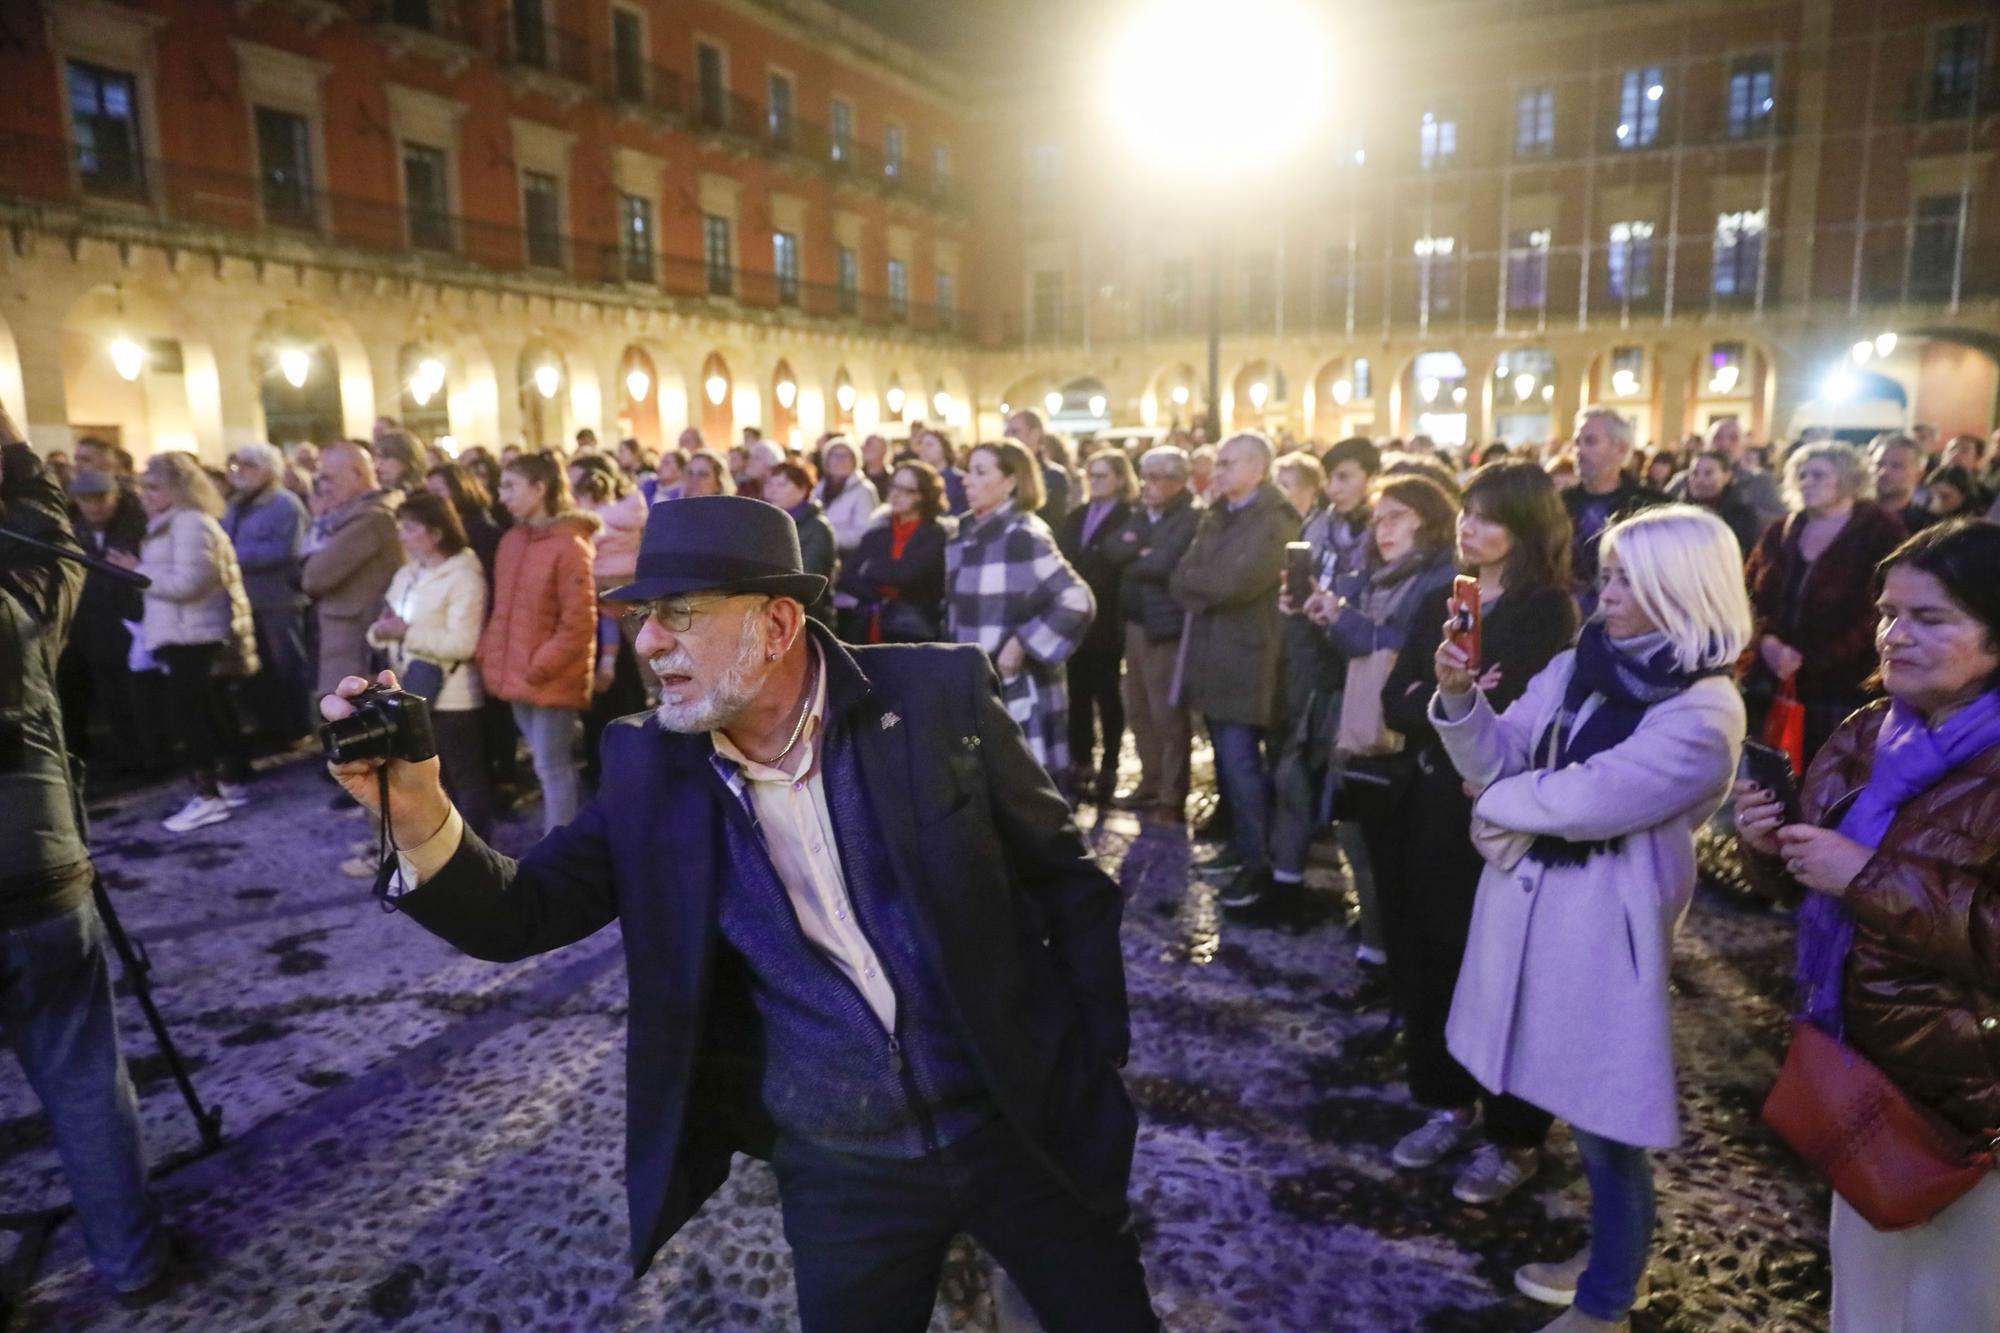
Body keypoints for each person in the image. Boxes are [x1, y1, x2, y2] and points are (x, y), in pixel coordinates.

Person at [320, 495, 1155, 1331]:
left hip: (1016, 1122)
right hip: (842, 1165)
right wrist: (420, 811)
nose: (648, 642)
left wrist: (1090, 1059)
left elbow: (1068, 881)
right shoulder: (649, 766)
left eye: (678, 615)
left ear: (779, 622)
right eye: (646, 616)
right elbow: (520, 911)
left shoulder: (938, 698)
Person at [1431, 504, 1753, 1333]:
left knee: (1611, 1124)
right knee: (1577, 1107)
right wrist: (1462, 700)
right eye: (1606, 574)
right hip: (1535, 906)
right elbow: (1506, 750)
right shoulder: (1585, 659)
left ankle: (1609, 1299)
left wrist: (1499, 800)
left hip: (1608, 929)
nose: (1605, 594)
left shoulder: (1706, 710)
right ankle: (1610, 1260)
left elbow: (1593, 798)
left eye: (1628, 582)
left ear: (1685, 592)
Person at [1734, 518, 2000, 1333]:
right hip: (1863, 1062)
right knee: (1868, 1294)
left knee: (1955, 1303)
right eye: (1889, 612)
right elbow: (1816, 893)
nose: (1896, 635)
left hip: (1971, 1092)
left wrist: (1864, 875)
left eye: (1932, 617)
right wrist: (1772, 850)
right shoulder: (1865, 732)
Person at [0, 416, 173, 1304]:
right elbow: (54, 544)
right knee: (82, 1074)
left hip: (35, 872)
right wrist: (14, 452)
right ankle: (132, 1258)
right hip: (35, 866)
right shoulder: (17, 604)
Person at [1376, 463, 1577, 1206]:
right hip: (1429, 802)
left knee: (1498, 964)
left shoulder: (1545, 608)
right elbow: (1399, 703)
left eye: (1491, 517)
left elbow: (1522, 710)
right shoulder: (1441, 595)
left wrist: (1459, 702)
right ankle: (1448, 1100)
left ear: (1528, 527)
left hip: (1500, 811)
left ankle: (1514, 1133)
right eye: (1468, 511)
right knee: (1428, 953)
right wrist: (1451, 693)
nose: (1471, 527)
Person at [1250, 438, 1386, 950]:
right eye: (1331, 478)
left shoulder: (1385, 532)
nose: (1335, 488)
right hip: (1310, 669)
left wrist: (1338, 606)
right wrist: (1293, 604)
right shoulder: (1318, 528)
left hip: (1359, 677)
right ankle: (1287, 887)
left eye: (1347, 476)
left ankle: (1372, 922)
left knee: (1350, 802)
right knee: (1292, 777)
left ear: (1372, 477)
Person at [1171, 432, 1295, 894]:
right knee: (1224, 759)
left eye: (1228, 464)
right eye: (1218, 463)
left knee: (1243, 764)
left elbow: (1235, 583)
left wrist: (1203, 585)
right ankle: (1239, 847)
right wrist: (1204, 584)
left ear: (1258, 469)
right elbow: (1181, 577)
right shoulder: (1218, 515)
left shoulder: (1276, 520)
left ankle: (1257, 860)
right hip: (1213, 653)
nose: (1217, 471)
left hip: (1247, 658)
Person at [119, 451, 260, 833]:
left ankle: (208, 795)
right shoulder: (174, 523)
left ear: (176, 488)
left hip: (192, 632)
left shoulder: (189, 524)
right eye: (142, 486)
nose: (145, 494)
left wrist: (137, 571)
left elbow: (189, 583)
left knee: (191, 715)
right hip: (182, 631)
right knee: (205, 709)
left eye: (153, 486)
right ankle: (225, 782)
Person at [1746, 440, 1909, 763]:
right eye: (1802, 474)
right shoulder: (1781, 530)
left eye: (1819, 474)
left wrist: (1814, 658)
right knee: (1773, 774)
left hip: (1844, 683)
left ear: (1848, 478)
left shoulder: (1879, 530)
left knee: (1830, 772)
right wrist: (1767, 642)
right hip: (1774, 677)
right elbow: (1750, 591)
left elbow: (1883, 605)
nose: (1808, 482)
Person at [946, 440, 1096, 779]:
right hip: (975, 686)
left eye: (980, 472)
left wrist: (1022, 644)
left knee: (1029, 794)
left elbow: (1077, 600)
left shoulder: (1024, 534)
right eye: (968, 470)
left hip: (1019, 690)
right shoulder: (963, 534)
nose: (967, 480)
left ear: (1012, 481)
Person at [479, 451, 599, 831]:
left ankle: (559, 850)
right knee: (542, 761)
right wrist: (491, 654)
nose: (502, 495)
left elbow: (578, 623)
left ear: (540, 488)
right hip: (518, 668)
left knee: (552, 766)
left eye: (511, 486)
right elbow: (503, 609)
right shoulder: (513, 540)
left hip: (547, 671)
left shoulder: (569, 546)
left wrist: (541, 663)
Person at [367, 492, 493, 840]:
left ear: (436, 533)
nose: (402, 536)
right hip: (411, 689)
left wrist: (405, 632)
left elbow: (463, 643)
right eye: (401, 528)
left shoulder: (464, 577)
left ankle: (477, 852)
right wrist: (382, 631)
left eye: (410, 528)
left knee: (464, 778)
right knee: (429, 779)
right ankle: (440, 849)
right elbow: (382, 626)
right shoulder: (407, 574)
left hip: (453, 697)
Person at [1103, 445, 1202, 824]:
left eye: (1157, 477)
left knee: (1167, 714)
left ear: (1178, 481)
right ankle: (1150, 781)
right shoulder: (1143, 515)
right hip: (1135, 622)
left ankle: (1171, 795)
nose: (1147, 485)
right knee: (1139, 708)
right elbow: (1113, 551)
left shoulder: (1190, 517)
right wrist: (1138, 553)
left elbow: (1164, 563)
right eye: (1145, 477)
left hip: (1166, 626)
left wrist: (1141, 556)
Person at [57, 470, 165, 774]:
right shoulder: (74, 530)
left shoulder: (138, 525)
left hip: (134, 623)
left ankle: (155, 756)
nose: (93, 507)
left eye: (100, 499)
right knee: (113, 697)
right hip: (93, 625)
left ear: (115, 496)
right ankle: (130, 756)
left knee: (143, 696)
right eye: (85, 500)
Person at [1057, 449, 1137, 804]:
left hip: (1108, 616)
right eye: (1091, 475)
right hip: (1076, 619)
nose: (1095, 482)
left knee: (1107, 693)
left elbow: (1114, 561)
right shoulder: (1077, 516)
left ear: (1121, 479)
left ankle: (1110, 764)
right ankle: (1081, 759)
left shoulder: (1129, 516)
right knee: (1077, 693)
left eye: (1102, 475)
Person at [222, 443, 311, 745]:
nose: (241, 472)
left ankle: (298, 726)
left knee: (286, 664)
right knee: (256, 666)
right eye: (239, 465)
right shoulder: (237, 504)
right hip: (247, 599)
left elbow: (286, 549)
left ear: (269, 470)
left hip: (278, 599)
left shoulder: (285, 504)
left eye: (249, 465)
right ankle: (268, 724)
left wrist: (231, 556)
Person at [301, 440, 403, 696]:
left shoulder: (370, 518)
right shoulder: (363, 512)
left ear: (358, 473)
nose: (324, 487)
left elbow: (314, 577)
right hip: (354, 638)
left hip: (356, 646)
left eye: (329, 478)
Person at [1563, 407, 1664, 619]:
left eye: (1590, 442)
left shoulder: (1651, 507)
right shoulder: (1558, 503)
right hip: (1564, 618)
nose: (1579, 451)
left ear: (1620, 448)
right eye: (1577, 443)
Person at [836, 459, 948, 644]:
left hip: (916, 630)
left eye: (907, 491)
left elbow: (907, 575)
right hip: (869, 627)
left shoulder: (935, 534)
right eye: (894, 487)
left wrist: (869, 570)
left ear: (923, 495)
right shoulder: (878, 531)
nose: (896, 495)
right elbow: (847, 576)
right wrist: (879, 590)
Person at [1668, 417, 1784, 527]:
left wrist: (1738, 513)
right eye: (1717, 438)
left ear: (1744, 445)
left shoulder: (1759, 480)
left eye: (1733, 438)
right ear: (1706, 443)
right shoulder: (1684, 479)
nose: (1724, 444)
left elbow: (1778, 519)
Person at [762, 460, 838, 626]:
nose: (773, 490)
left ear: (803, 489)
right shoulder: (767, 523)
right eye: (771, 483)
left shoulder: (817, 528)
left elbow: (808, 578)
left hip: (807, 619)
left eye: (782, 484)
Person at [424, 462, 503, 582]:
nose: (432, 499)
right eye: (429, 493)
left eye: (438, 491)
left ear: (460, 489)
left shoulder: (485, 532)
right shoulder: (446, 527)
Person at [1682, 448, 1762, 555]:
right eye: (1694, 473)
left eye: (1708, 473)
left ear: (1727, 476)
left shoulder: (1743, 514)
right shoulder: (1678, 510)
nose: (1700, 480)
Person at [1004, 410, 1074, 528]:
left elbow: (1054, 522)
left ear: (1035, 434)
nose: (1009, 437)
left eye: (1015, 432)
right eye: (1007, 432)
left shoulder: (1054, 475)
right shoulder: (1003, 471)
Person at [814, 437, 881, 558]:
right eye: (834, 455)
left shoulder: (864, 490)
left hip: (850, 557)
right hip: (821, 553)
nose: (840, 460)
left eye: (846, 455)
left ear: (855, 461)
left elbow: (863, 533)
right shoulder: (819, 487)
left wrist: (823, 536)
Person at [1869, 433, 1934, 535]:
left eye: (1896, 466)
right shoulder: (1850, 517)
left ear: (1918, 475)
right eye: (1879, 464)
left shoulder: (1927, 528)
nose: (1884, 471)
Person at [914, 428, 968, 515]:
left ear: (944, 447)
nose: (923, 449)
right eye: (921, 445)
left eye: (929, 445)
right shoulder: (917, 480)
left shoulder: (960, 480)